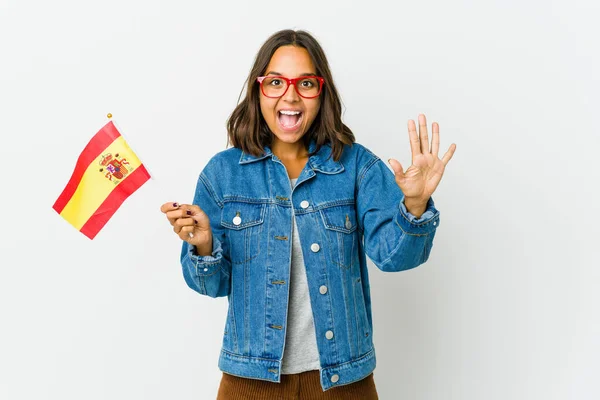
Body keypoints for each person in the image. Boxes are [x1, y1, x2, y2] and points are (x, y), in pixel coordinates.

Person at [160, 29, 456, 399]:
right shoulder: (223, 173)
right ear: (258, 90)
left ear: (322, 92)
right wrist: (204, 246)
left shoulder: (356, 166)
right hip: (250, 383)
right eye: (276, 82)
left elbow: (394, 257)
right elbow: (211, 284)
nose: (290, 95)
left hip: (343, 383)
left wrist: (414, 206)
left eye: (305, 83)